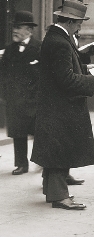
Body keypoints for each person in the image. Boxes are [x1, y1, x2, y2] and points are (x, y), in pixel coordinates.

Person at [30, 0, 94, 210]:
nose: (80, 27)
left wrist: (84, 66)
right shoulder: (60, 42)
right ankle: (60, 197)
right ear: (71, 21)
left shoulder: (56, 37)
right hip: (60, 107)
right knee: (59, 150)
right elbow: (65, 79)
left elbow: (62, 68)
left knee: (55, 149)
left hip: (54, 105)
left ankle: (53, 192)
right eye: (79, 23)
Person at [0, 11, 41, 175]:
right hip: (15, 99)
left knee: (39, 132)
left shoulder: (39, 47)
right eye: (14, 27)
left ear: (29, 30)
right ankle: (22, 164)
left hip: (35, 99)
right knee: (18, 131)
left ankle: (43, 162)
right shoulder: (9, 50)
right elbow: (2, 74)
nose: (14, 31)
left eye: (18, 27)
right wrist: (5, 95)